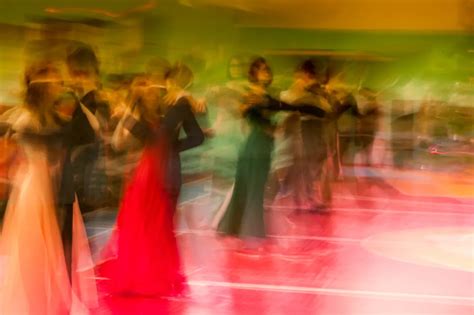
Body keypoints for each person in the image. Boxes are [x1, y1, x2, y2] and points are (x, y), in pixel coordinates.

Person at [98, 63, 204, 296]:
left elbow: (159, 138)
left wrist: (169, 146)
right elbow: (194, 137)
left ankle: (152, 275)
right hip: (154, 172)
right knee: (155, 227)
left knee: (155, 227)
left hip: (157, 173)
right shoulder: (174, 105)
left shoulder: (176, 105)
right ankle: (152, 275)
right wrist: (172, 147)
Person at [0, 62, 97, 314]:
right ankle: (37, 306)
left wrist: (77, 100)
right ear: (40, 88)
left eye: (59, 81)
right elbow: (45, 141)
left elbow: (89, 134)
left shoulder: (58, 116)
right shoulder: (25, 118)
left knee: (61, 256)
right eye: (53, 82)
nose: (59, 86)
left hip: (60, 191)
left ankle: (57, 305)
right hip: (35, 190)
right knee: (34, 253)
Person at [217, 57, 325, 251]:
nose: (266, 73)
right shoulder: (252, 96)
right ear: (254, 75)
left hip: (262, 147)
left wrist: (309, 111)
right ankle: (251, 233)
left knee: (249, 189)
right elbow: (247, 113)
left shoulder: (266, 96)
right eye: (261, 70)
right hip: (255, 148)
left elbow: (286, 109)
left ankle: (240, 231)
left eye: (267, 69)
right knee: (251, 190)